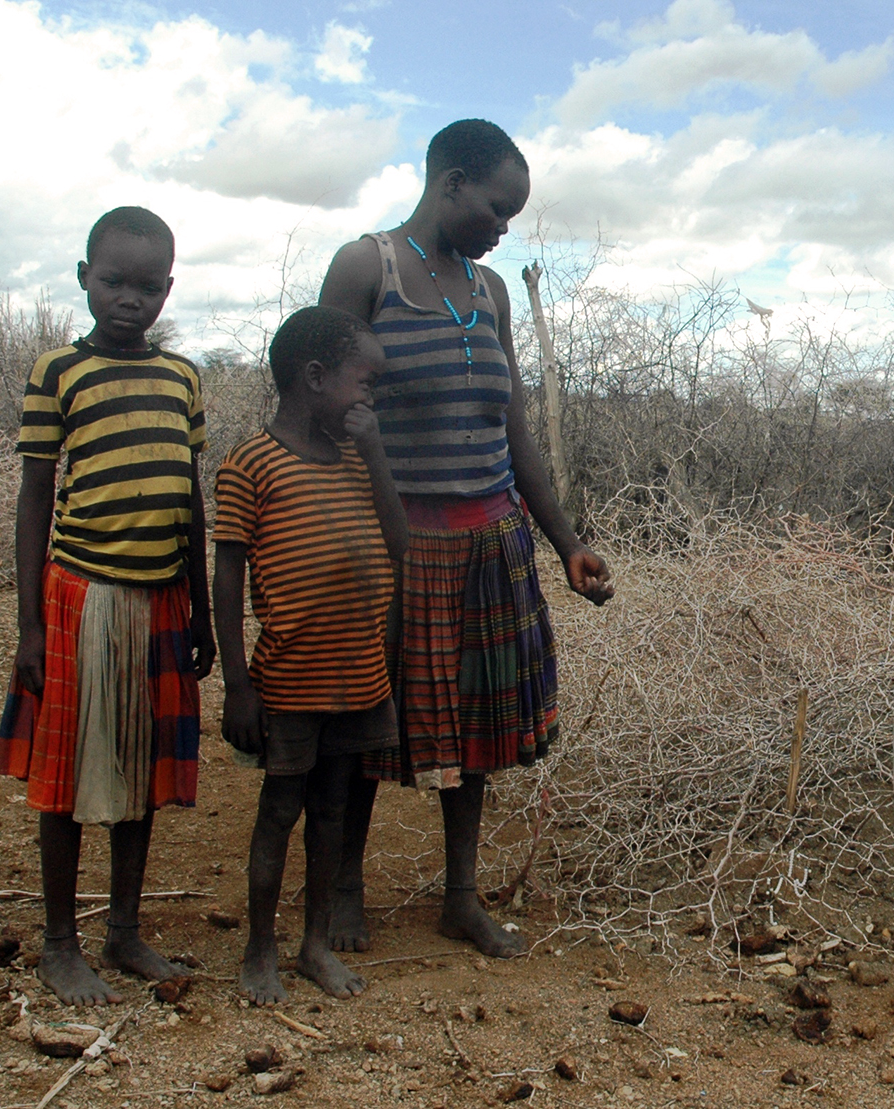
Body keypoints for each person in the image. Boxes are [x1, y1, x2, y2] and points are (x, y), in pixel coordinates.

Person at [317, 119, 613, 958]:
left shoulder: (489, 291)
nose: (503, 226)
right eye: (497, 206)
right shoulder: (364, 268)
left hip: (489, 539)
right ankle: (342, 889)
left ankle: (460, 895)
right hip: (392, 542)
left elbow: (511, 420)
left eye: (512, 214)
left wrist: (564, 541)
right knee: (371, 724)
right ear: (450, 184)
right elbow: (317, 402)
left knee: (475, 729)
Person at [0, 206, 213, 1005]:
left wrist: (202, 612)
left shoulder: (182, 377)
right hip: (80, 599)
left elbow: (190, 499)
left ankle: (124, 930)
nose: (130, 298)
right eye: (114, 281)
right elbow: (33, 499)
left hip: (160, 601)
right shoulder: (59, 372)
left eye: (148, 286)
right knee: (68, 774)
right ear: (84, 276)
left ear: (168, 288)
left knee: (140, 768)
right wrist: (28, 625)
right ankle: (61, 942)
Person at [212, 307, 408, 1003]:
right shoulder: (250, 466)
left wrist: (378, 450)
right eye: (365, 384)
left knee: (333, 814)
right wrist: (238, 685)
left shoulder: (360, 457)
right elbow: (228, 579)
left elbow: (399, 540)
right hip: (290, 679)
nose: (370, 399)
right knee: (280, 811)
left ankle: (314, 945)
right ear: (316, 377)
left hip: (359, 675)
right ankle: (260, 948)